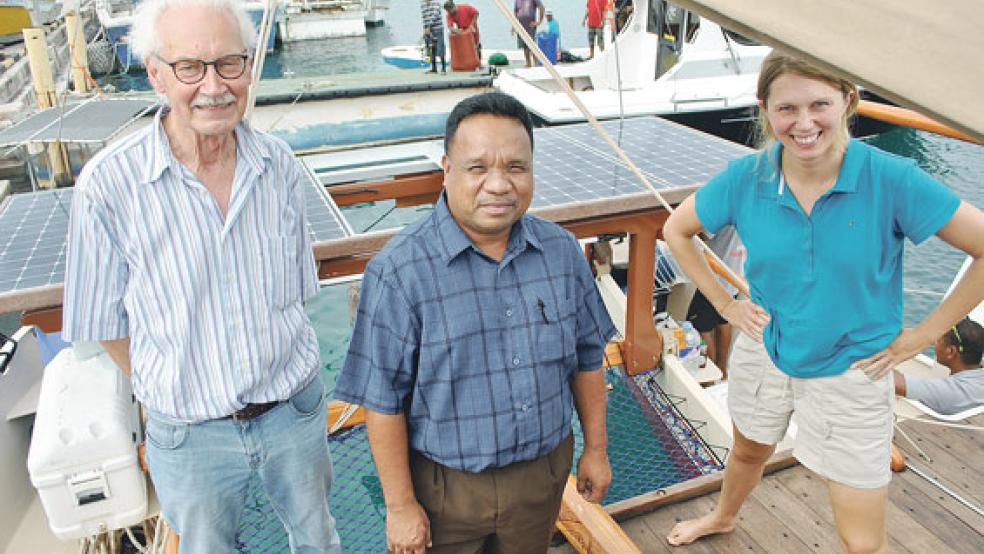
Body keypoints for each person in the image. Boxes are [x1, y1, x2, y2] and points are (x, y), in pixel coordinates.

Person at [662, 51, 984, 553]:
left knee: (860, 541)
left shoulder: (890, 179)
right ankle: (724, 517)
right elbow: (677, 230)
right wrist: (726, 306)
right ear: (764, 109)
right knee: (748, 450)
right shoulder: (748, 177)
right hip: (767, 346)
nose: (804, 123)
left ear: (848, 101)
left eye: (820, 104)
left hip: (855, 371)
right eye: (787, 108)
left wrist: (922, 335)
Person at [60, 0, 341, 551]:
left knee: (318, 540)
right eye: (191, 67)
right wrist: (179, 380)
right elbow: (103, 321)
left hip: (293, 411)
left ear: (247, 67)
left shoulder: (278, 164)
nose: (213, 85)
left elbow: (295, 291)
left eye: (228, 64)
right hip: (189, 433)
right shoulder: (109, 186)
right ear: (156, 74)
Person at [335, 92, 615, 553]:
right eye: (478, 167)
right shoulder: (400, 271)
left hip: (542, 477)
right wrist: (401, 506)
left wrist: (597, 450)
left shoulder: (562, 252)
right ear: (447, 170)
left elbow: (588, 357)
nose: (499, 184)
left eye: (516, 167)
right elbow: (383, 401)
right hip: (445, 488)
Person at [685, 226, 745, 378]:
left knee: (700, 327)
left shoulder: (721, 207)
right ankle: (722, 370)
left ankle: (709, 375)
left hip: (714, 278)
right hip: (734, 275)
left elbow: (701, 233)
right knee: (723, 321)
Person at [894, 317, 984, 415]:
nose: (934, 343)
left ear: (951, 352)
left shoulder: (949, 392)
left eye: (939, 340)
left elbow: (894, 382)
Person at [443, 1, 481, 65]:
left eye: (449, 11)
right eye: (447, 11)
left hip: (472, 28)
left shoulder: (465, 7)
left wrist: (472, 25)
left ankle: (479, 63)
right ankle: (467, 63)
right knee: (466, 47)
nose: (449, 13)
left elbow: (476, 13)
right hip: (462, 31)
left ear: (453, 7)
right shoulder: (449, 15)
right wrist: (455, 30)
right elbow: (450, 26)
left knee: (476, 45)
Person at [514, 0, 544, 67]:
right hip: (520, 27)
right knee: (524, 46)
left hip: (530, 26)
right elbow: (515, 12)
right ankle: (528, 63)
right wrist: (514, 25)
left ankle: (536, 63)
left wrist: (539, 22)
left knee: (532, 45)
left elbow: (541, 7)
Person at [421, 0, 447, 73]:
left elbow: (435, 15)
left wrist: (429, 26)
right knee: (431, 48)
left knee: (440, 47)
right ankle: (434, 68)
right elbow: (424, 18)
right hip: (428, 29)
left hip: (438, 28)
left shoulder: (436, 3)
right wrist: (425, 29)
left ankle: (443, 68)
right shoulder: (423, 5)